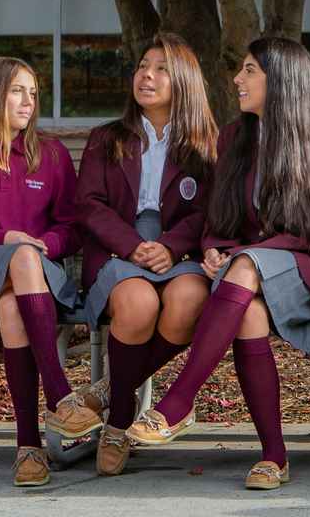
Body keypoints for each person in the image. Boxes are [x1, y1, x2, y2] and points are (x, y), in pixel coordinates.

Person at [127, 37, 310, 492]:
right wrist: (214, 248)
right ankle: (274, 457)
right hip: (244, 276)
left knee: (244, 268)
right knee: (248, 315)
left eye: (249, 71)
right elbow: (218, 216)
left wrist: (243, 256)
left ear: (280, 81)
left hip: (304, 265)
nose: (237, 79)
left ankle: (180, 399)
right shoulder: (234, 138)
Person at [0, 57, 96, 486]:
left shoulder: (52, 153)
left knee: (12, 308)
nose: (29, 101)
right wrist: (5, 238)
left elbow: (72, 228)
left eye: (33, 93)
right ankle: (62, 399)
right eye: (17, 91)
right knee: (21, 256)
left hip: (38, 270)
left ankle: (28, 446)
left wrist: (47, 245)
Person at [72, 32, 221, 476]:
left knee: (190, 299)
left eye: (160, 69)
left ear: (184, 81)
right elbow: (89, 205)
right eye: (142, 66)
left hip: (178, 249)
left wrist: (171, 247)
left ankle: (110, 391)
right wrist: (131, 245)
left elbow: (211, 211)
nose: (146, 76)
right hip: (116, 247)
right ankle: (120, 421)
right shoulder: (107, 138)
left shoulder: (206, 144)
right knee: (137, 304)